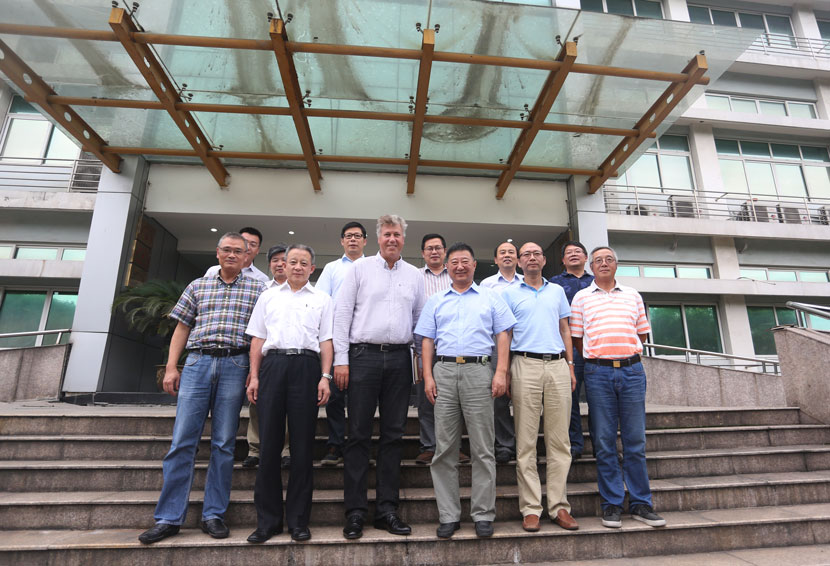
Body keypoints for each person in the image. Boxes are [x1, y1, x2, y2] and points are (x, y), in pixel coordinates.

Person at [138, 232, 265, 544]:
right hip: (197, 363)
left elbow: (260, 336)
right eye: (227, 250)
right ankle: (168, 518)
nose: (232, 255)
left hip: (235, 365)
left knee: (223, 443)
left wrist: (254, 373)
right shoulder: (198, 285)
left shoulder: (259, 289)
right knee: (182, 440)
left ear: (247, 256)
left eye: (239, 251)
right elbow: (182, 327)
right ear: (217, 252)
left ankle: (213, 515)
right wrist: (172, 367)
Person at [333, 214, 426, 540]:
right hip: (363, 358)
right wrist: (341, 360)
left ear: (403, 239)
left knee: (393, 435)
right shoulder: (359, 269)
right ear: (378, 238)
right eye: (387, 234)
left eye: (397, 234)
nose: (392, 239)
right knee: (358, 434)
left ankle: (387, 510)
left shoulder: (414, 275)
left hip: (400, 359)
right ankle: (355, 512)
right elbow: (342, 314)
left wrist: (421, 364)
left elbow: (420, 321)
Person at [414, 242, 515, 539]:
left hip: (479, 370)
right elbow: (427, 341)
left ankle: (483, 514)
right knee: (444, 448)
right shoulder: (435, 300)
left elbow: (503, 335)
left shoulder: (491, 297)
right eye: (454, 262)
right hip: (444, 371)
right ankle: (449, 515)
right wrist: (428, 376)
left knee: (483, 447)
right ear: (447, 266)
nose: (459, 266)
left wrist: (500, 372)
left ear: (474, 265)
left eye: (465, 261)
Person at [570, 246, 667, 529]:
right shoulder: (581, 297)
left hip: (632, 371)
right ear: (591, 266)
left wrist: (623, 355)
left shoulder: (633, 295)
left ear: (616, 264)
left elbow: (641, 332)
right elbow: (578, 338)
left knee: (635, 441)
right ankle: (611, 503)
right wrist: (598, 356)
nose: (603, 263)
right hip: (598, 372)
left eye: (608, 259)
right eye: (598, 260)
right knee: (603, 441)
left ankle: (641, 503)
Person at [244, 244, 333, 543]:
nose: (296, 266)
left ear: (312, 268)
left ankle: (298, 521)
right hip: (273, 366)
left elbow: (326, 341)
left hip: (307, 368)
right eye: (292, 261)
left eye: (303, 263)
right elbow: (258, 338)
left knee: (302, 446)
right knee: (269, 445)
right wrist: (255, 376)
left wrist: (325, 377)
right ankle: (267, 522)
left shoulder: (322, 299)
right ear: (283, 265)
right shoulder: (268, 296)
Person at [503, 242, 579, 533]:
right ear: (519, 262)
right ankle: (531, 508)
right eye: (526, 254)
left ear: (544, 260)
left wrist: (570, 366)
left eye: (536, 253)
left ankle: (559, 506)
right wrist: (505, 372)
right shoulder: (509, 293)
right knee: (526, 443)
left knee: (560, 441)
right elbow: (506, 335)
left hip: (557, 365)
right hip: (525, 365)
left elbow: (565, 329)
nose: (532, 258)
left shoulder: (556, 291)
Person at [315, 221, 368, 466]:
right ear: (342, 241)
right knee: (335, 396)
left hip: (364, 341)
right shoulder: (332, 268)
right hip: (337, 340)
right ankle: (335, 443)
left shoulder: (373, 266)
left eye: (357, 236)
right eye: (348, 236)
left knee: (363, 398)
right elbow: (322, 302)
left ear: (365, 240)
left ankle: (359, 446)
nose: (353, 239)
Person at [415, 233, 470, 466]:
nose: (434, 252)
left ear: (445, 252)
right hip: (423, 345)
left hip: (454, 346)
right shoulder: (415, 277)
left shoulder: (457, 274)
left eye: (438, 248)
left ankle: (454, 447)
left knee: (455, 400)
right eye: (429, 248)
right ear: (423, 253)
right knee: (426, 398)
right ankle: (429, 446)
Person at [243, 243, 289, 470]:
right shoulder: (261, 291)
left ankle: (286, 449)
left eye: (284, 260)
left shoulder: (305, 291)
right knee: (257, 402)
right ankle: (255, 449)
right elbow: (255, 331)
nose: (280, 264)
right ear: (269, 265)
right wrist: (252, 369)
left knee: (290, 405)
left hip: (293, 356)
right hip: (265, 356)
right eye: (275, 261)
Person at [549, 241, 595, 460]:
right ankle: (575, 443)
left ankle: (601, 444)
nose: (574, 254)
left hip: (595, 347)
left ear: (585, 258)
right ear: (563, 260)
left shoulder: (596, 281)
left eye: (578, 252)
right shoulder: (554, 284)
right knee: (569, 398)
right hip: (568, 347)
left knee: (598, 399)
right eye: (569, 253)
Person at [480, 241, 524, 464]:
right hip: (497, 346)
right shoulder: (486, 285)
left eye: (511, 252)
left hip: (525, 345)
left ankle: (526, 445)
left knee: (525, 398)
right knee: (498, 398)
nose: (507, 255)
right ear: (496, 259)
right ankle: (504, 444)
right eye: (502, 253)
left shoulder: (527, 282)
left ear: (518, 259)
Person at [205, 226, 270, 284]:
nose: (247, 247)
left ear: (258, 250)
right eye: (245, 242)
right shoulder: (213, 271)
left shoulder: (262, 279)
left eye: (253, 245)